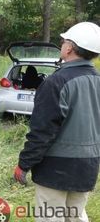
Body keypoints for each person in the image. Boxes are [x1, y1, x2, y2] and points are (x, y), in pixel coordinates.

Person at [14, 22, 100, 222]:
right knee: (75, 216)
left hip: (55, 168)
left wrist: (23, 164)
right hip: (88, 165)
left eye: (64, 41)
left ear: (69, 48)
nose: (61, 44)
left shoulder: (56, 82)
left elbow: (42, 131)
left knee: (50, 217)